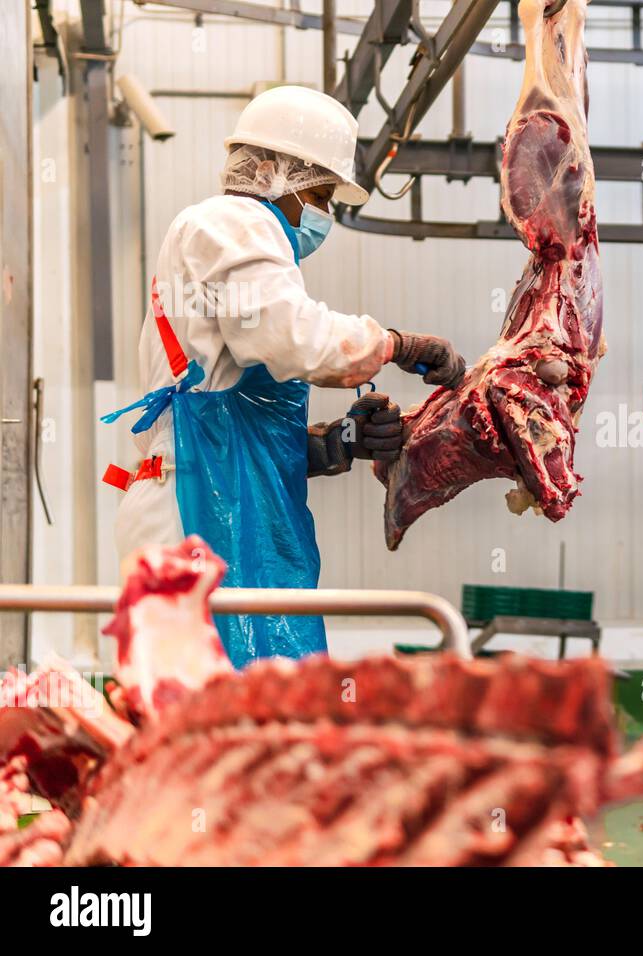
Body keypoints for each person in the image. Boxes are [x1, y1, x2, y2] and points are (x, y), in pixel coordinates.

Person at [104, 85, 466, 669]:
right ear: (280, 175)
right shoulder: (231, 220)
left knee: (261, 720)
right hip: (195, 511)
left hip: (235, 501)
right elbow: (290, 337)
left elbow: (240, 417)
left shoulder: (236, 248)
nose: (324, 215)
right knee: (205, 722)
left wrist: (330, 446)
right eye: (321, 195)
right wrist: (397, 345)